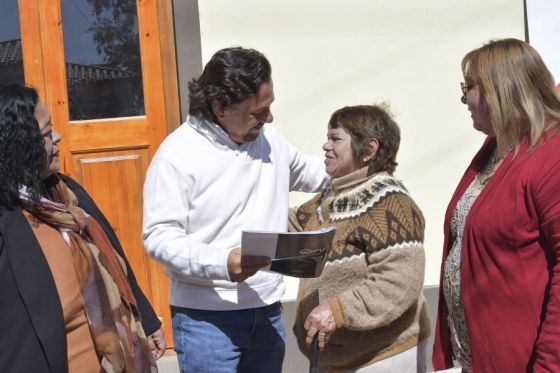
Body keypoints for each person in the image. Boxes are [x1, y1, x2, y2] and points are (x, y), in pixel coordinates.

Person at [142, 47, 328, 373]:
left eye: (270, 107)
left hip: (267, 309)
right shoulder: (177, 155)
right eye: (258, 111)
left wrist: (361, 163)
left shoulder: (271, 139)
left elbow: (314, 173)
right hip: (206, 320)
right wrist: (222, 263)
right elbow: (158, 237)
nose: (269, 118)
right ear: (220, 107)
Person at [0, 84, 165, 372]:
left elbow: (114, 257)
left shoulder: (66, 193)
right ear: (20, 144)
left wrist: (147, 320)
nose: (58, 136)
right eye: (47, 133)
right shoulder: (8, 218)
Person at [432, 38, 560, 372]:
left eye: (469, 87)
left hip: (525, 361)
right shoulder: (496, 148)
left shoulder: (550, 154)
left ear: (502, 89)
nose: (463, 98)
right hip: (480, 359)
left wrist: (549, 365)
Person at [291, 104, 431, 373]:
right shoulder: (328, 200)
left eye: (335, 139)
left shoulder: (391, 203)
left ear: (369, 149)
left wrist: (338, 310)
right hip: (337, 359)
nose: (325, 146)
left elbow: (398, 281)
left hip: (383, 358)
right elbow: (291, 225)